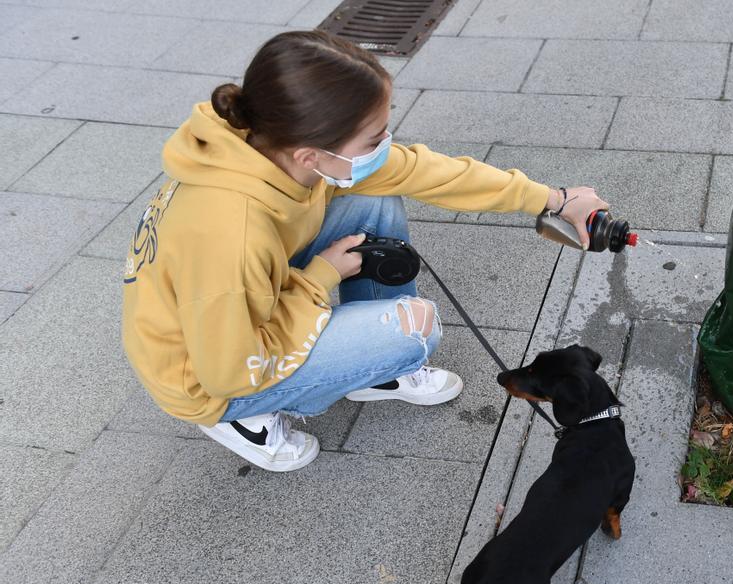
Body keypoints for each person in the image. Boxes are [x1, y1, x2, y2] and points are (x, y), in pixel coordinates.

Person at [121, 31, 608, 472]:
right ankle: (242, 421)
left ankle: (372, 370)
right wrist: (318, 279)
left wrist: (555, 200)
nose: (386, 145)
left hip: (236, 306)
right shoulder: (231, 233)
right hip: (210, 376)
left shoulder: (272, 145)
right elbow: (228, 368)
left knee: (372, 198)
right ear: (311, 155)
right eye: (374, 138)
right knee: (413, 331)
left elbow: (427, 172)